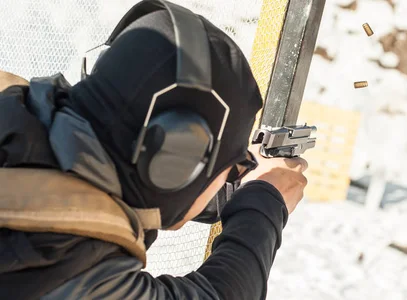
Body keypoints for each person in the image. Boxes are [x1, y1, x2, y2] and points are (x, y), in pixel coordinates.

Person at [0, 1, 308, 299]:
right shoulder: (59, 260)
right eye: (232, 168)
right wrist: (264, 201)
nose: (231, 175)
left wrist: (227, 177)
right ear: (174, 166)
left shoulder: (18, 122)